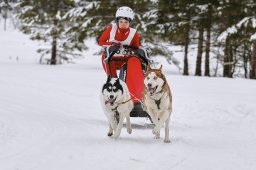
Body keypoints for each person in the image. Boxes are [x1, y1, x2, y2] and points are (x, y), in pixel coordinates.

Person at [98, 6, 145, 111]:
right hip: (110, 59)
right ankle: (113, 102)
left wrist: (132, 49)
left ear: (130, 22)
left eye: (126, 22)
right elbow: (101, 41)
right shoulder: (111, 29)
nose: (123, 24)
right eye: (121, 22)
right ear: (117, 21)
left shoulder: (133, 33)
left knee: (135, 65)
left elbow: (136, 47)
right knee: (114, 80)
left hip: (125, 60)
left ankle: (135, 99)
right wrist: (111, 44)